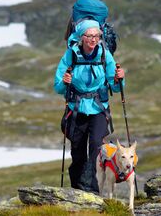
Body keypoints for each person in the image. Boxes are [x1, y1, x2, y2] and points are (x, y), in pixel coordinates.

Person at [54, 19, 125, 193]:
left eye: (96, 36)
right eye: (89, 36)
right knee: (78, 152)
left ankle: (94, 191)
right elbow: (58, 87)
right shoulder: (70, 55)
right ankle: (76, 190)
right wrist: (65, 82)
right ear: (81, 37)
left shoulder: (104, 55)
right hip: (76, 109)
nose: (93, 40)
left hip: (98, 109)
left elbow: (114, 86)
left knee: (96, 147)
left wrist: (119, 79)